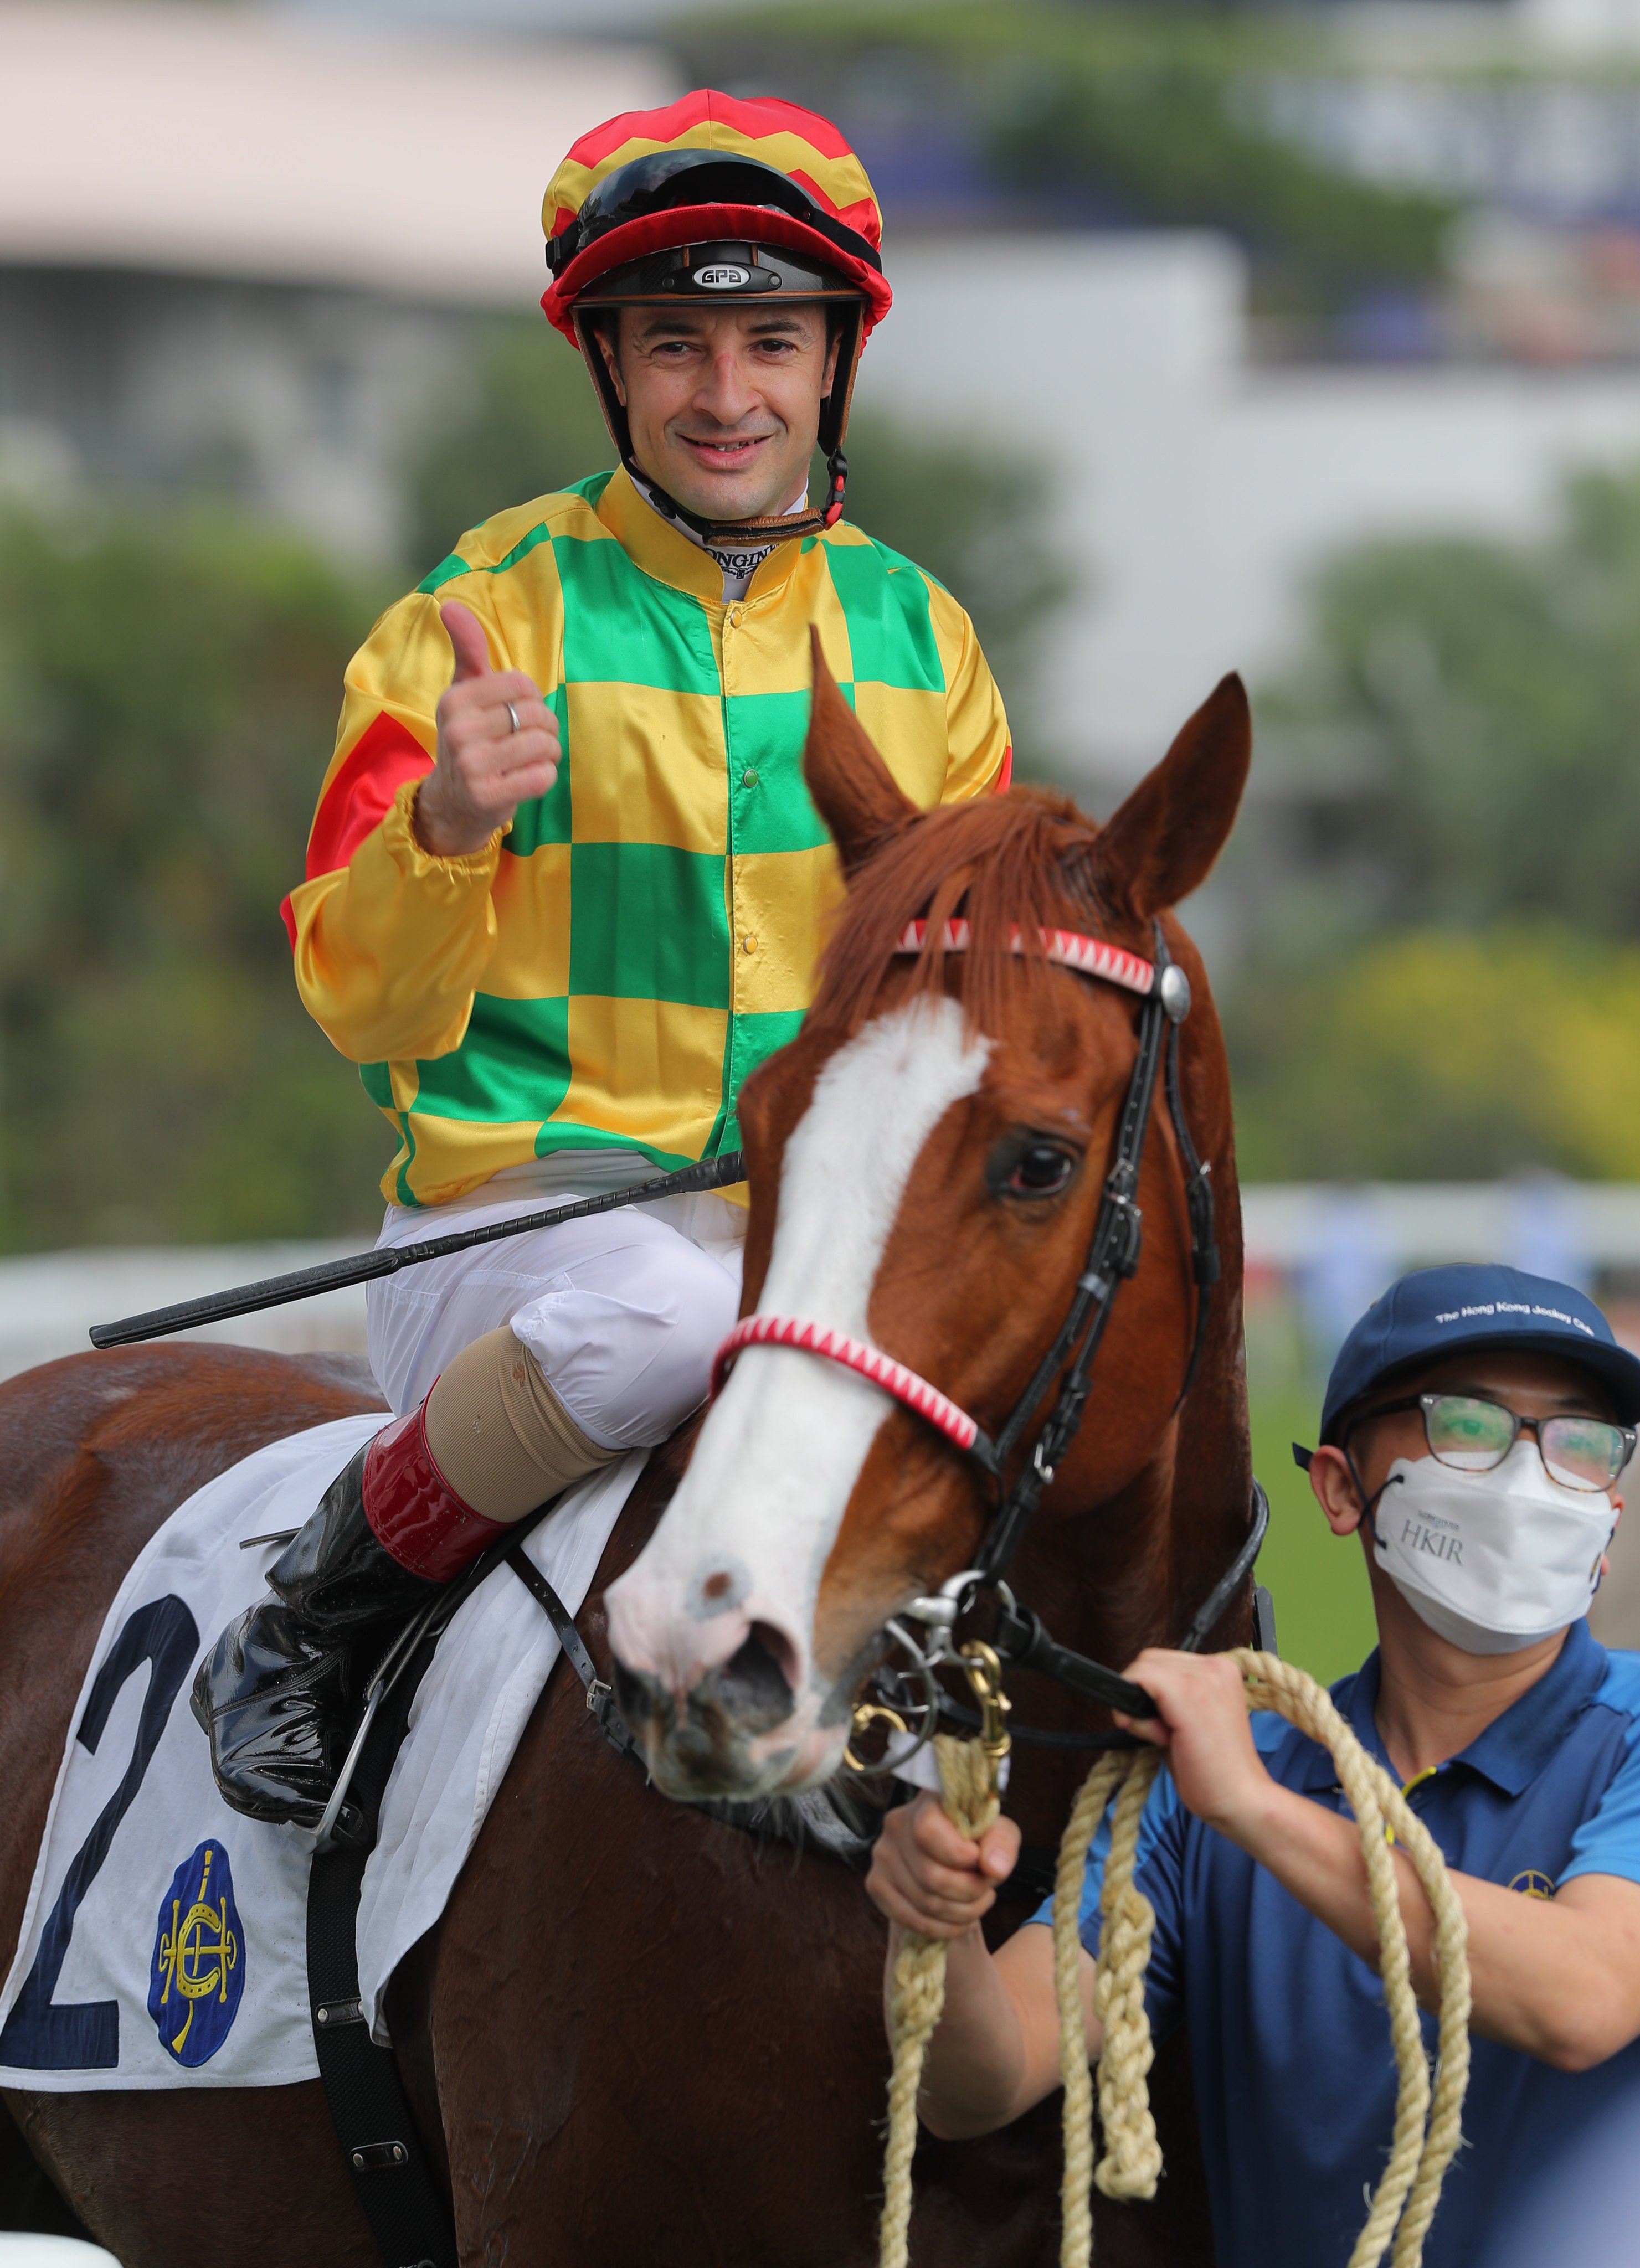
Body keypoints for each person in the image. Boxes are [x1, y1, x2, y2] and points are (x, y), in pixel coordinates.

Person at [192, 91, 1012, 1831]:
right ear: (613, 372)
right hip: (522, 1240)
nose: (728, 397)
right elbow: (361, 1002)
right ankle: (318, 1611)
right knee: (677, 1319)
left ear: (832, 362)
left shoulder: (921, 639)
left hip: (805, 1247)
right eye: (677, 350)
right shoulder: (474, 615)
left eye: (771, 343)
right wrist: (451, 835)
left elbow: (968, 1010)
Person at [867, 1263, 1640, 2267]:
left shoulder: (1231, 1784)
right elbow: (979, 2083)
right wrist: (939, 1926)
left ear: (1608, 1522)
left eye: (1581, 1444)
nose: (1532, 1476)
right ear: (1338, 1487)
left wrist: (1254, 1809)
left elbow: (1581, 2000)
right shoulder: (1215, 1779)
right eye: (1471, 1423)